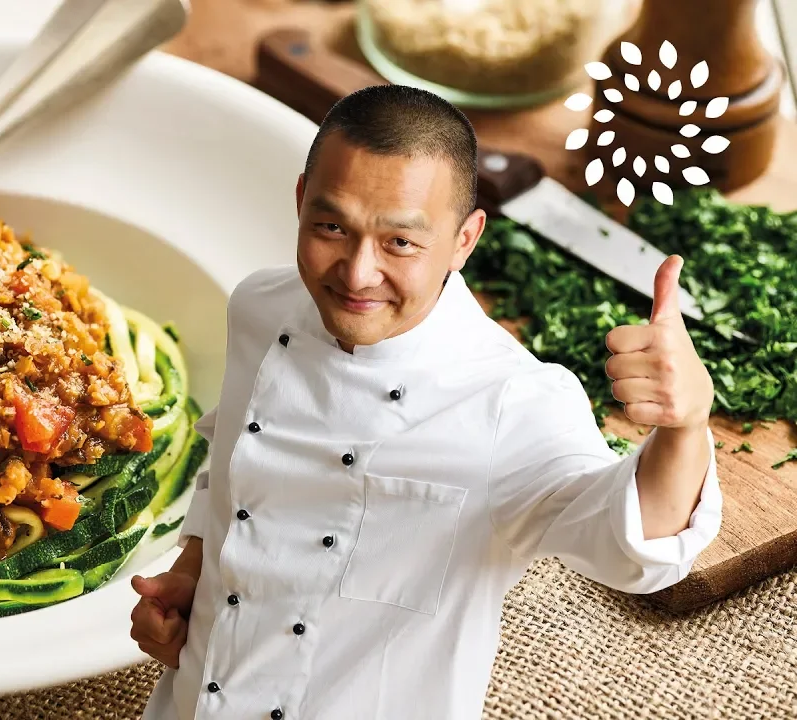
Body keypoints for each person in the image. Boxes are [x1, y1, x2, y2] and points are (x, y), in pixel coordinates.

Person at [130, 84, 723, 720]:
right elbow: (232, 453)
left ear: (465, 240)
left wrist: (685, 426)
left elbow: (635, 547)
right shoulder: (259, 306)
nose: (357, 273)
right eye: (332, 227)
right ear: (301, 201)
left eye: (400, 243)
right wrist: (195, 569)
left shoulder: (513, 400)